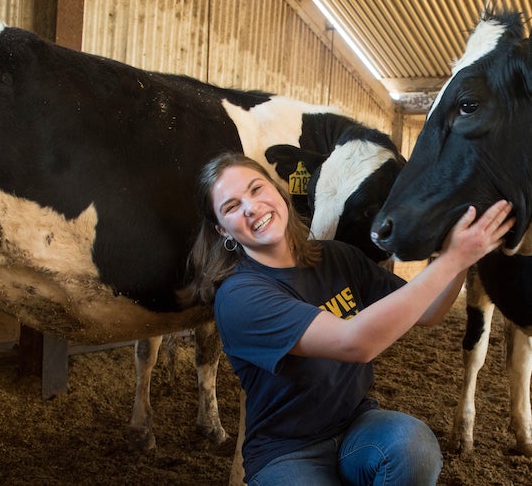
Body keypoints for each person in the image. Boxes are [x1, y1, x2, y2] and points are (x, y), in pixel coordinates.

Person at [184, 152, 513, 486]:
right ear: (221, 229)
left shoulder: (336, 257)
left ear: (279, 192)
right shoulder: (240, 296)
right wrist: (454, 257)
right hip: (287, 451)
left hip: (357, 427)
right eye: (231, 207)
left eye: (257, 189)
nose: (251, 207)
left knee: (413, 446)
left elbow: (428, 312)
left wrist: (456, 257)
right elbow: (355, 343)